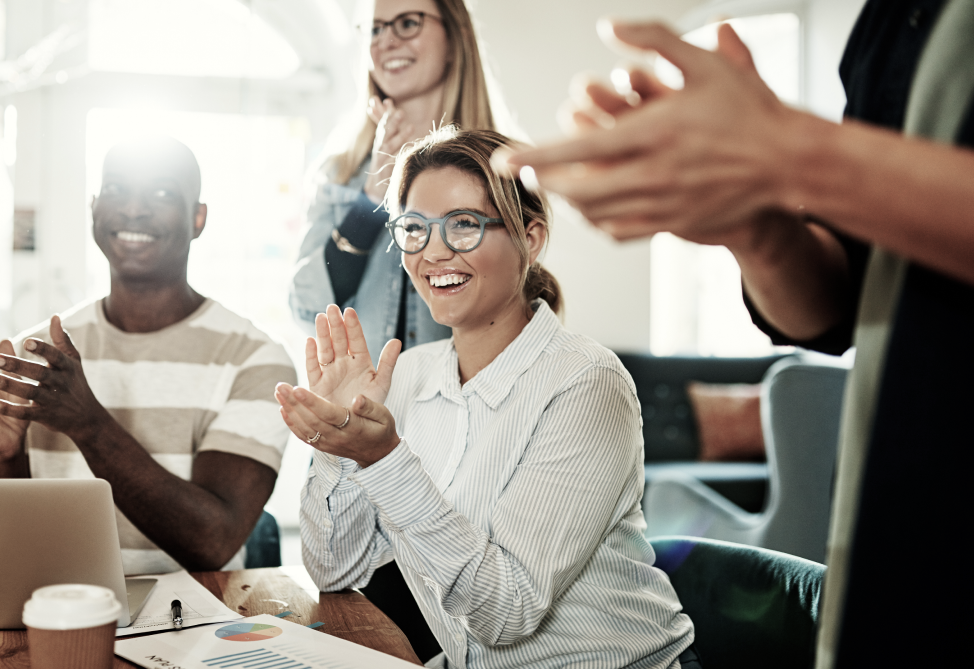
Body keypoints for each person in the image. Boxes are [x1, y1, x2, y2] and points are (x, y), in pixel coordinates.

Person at [498, 0, 974, 666]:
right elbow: (835, 306)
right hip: (904, 542)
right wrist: (755, 226)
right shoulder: (898, 13)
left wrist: (788, 151)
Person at [277, 128, 697, 669]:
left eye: (465, 225)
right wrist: (339, 445)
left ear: (532, 237)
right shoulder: (402, 377)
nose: (433, 251)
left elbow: (507, 609)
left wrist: (382, 458)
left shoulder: (587, 382)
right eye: (414, 229)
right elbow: (336, 570)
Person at [0, 136, 296, 575]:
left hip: (196, 627)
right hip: (58, 612)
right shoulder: (38, 353)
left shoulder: (255, 360)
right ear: (94, 208)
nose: (134, 209)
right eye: (117, 190)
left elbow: (213, 541)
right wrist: (5, 459)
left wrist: (88, 423)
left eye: (161, 193)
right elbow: (10, 548)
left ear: (198, 218)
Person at [289, 0, 505, 357]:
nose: (385, 41)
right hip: (361, 408)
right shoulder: (339, 174)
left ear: (455, 37)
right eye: (374, 29)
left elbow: (513, 311)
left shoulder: (504, 169)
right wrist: (371, 198)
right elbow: (307, 310)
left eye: (407, 23)